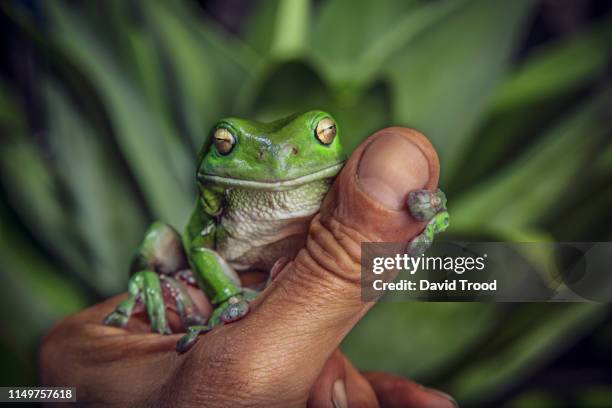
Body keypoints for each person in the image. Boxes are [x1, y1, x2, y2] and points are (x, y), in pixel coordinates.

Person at [39, 128, 458, 407]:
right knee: (159, 239)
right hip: (215, 282)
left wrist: (428, 213)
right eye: (225, 143)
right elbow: (202, 250)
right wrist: (226, 294)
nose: (278, 159)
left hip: (279, 304)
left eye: (322, 134)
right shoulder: (220, 212)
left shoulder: (329, 191)